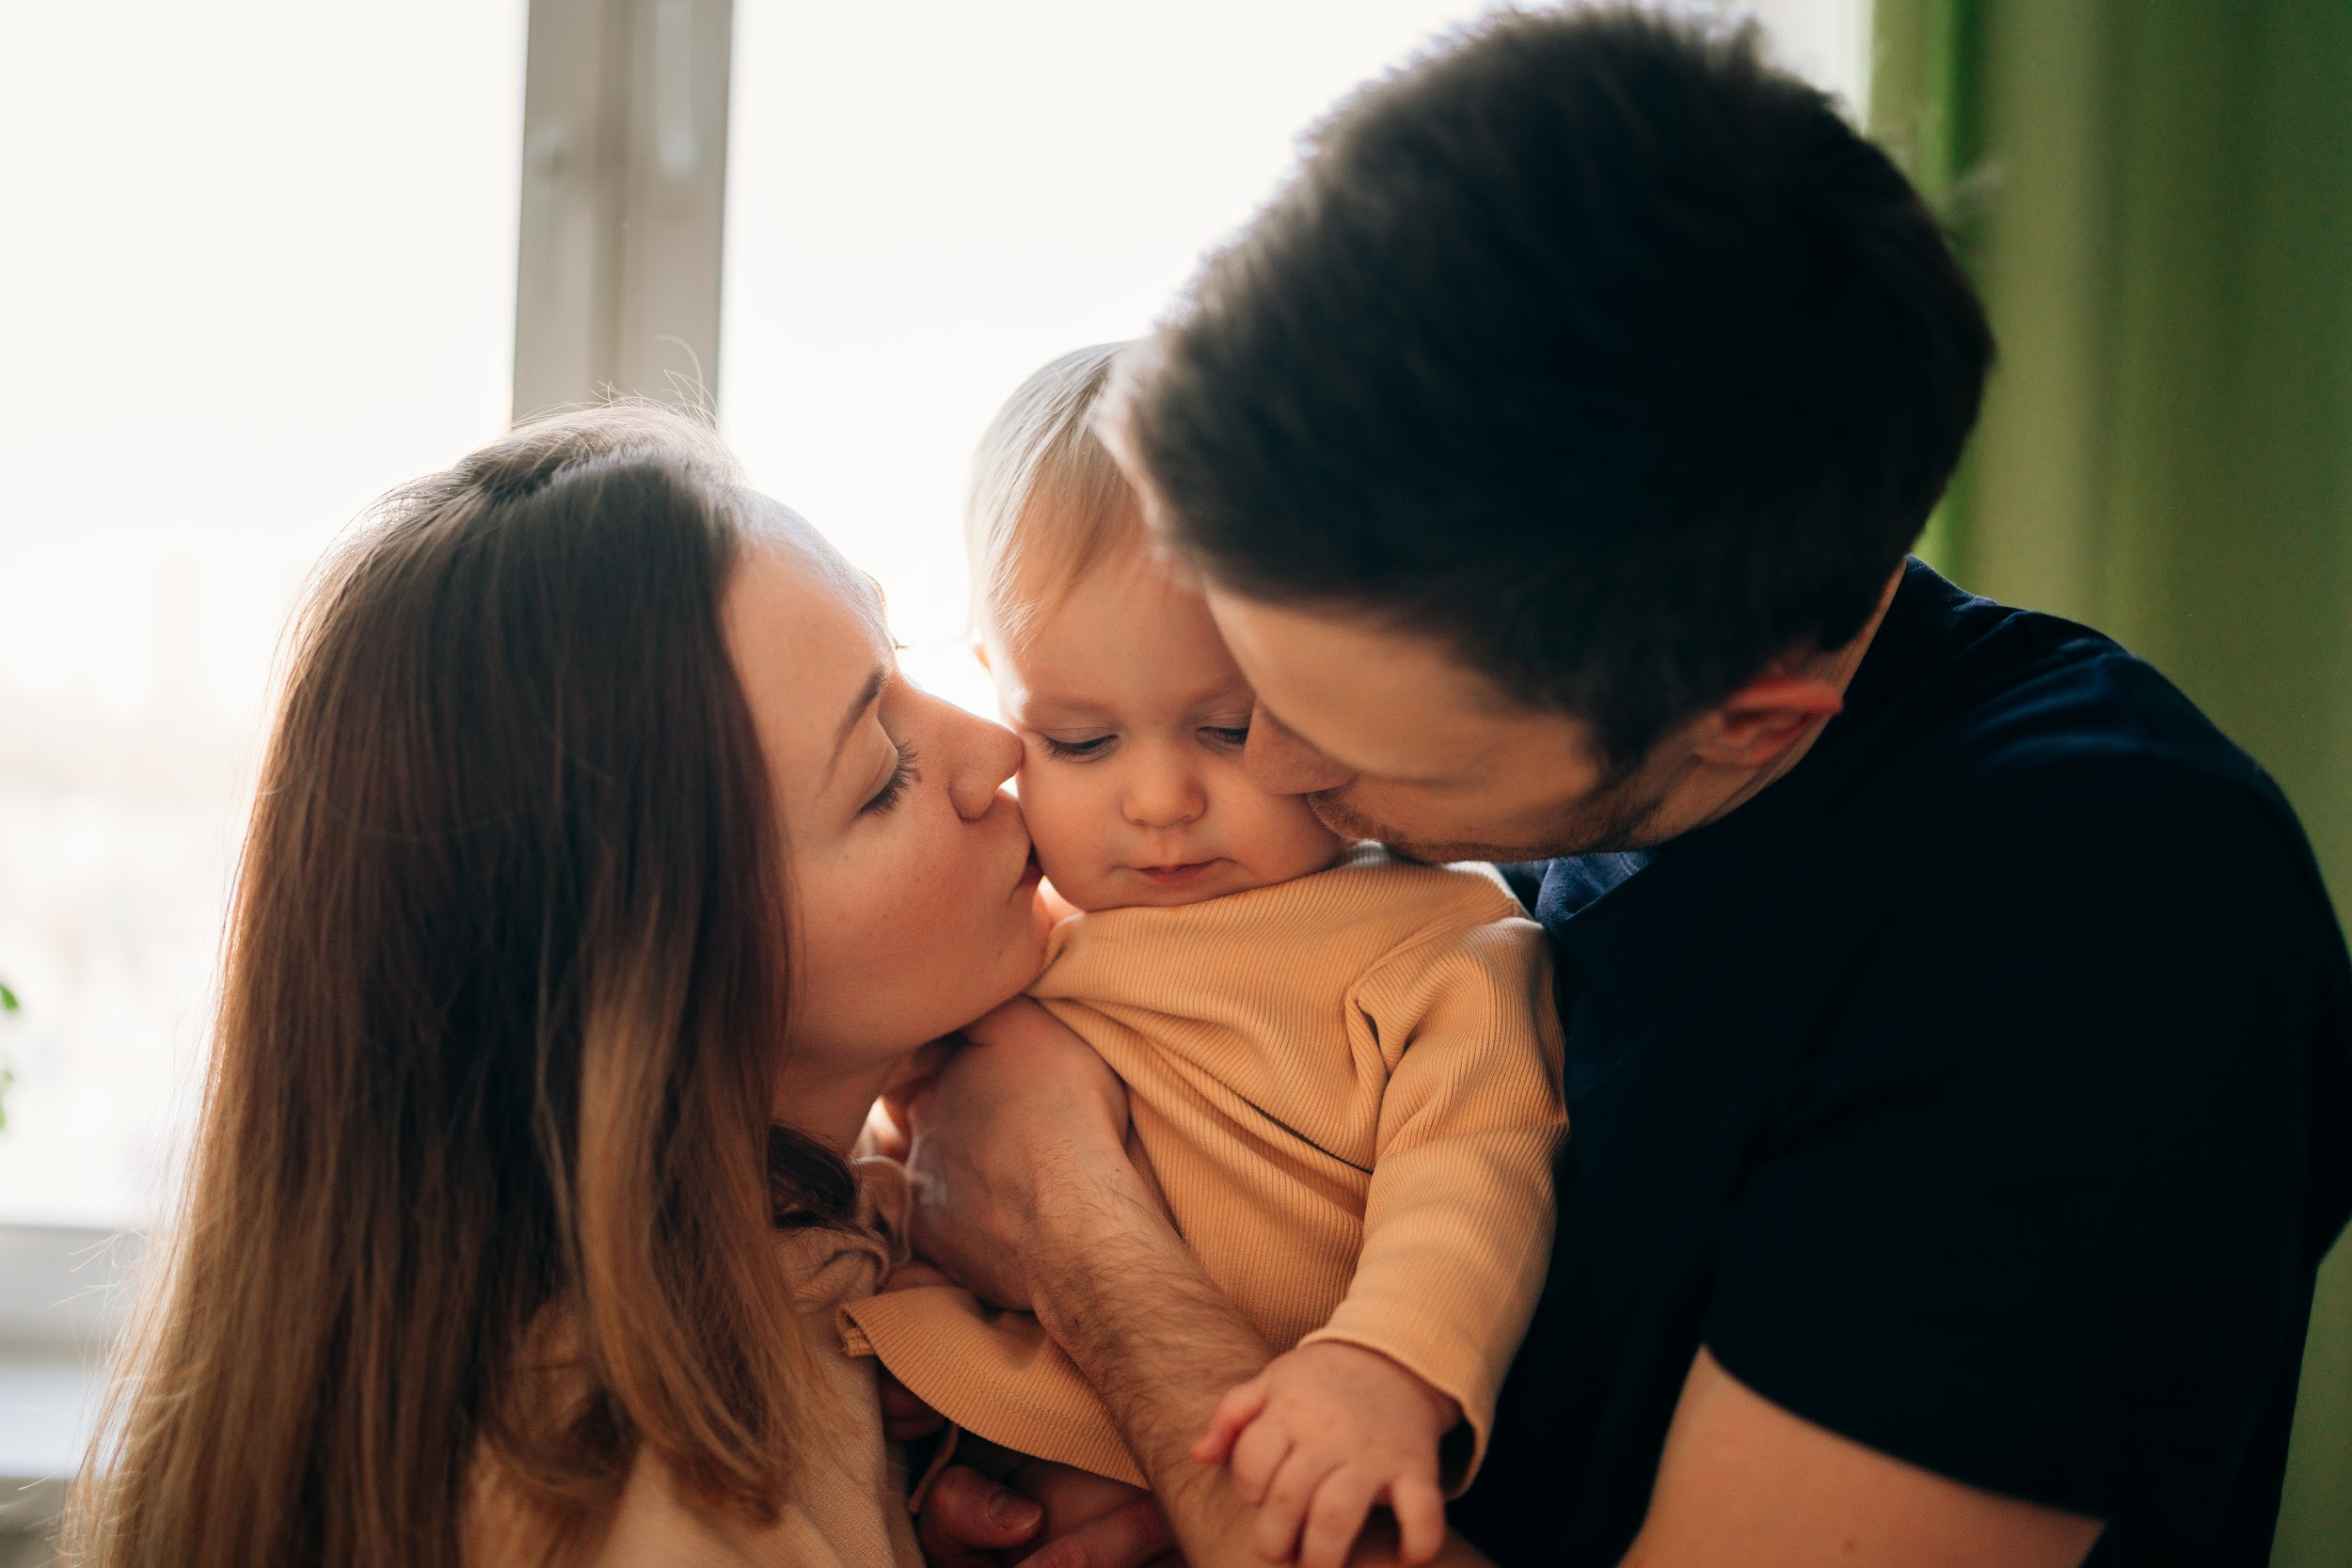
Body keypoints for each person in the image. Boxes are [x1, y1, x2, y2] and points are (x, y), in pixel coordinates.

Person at [903, 9, 2352, 1567]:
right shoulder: (1577, 767)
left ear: (1750, 718)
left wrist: (1089, 1250)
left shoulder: (2098, 930)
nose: (1284, 780)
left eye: (1347, 737)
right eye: (1256, 684)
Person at [63, 406, 1068, 1568]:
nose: (998, 750)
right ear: (659, 982)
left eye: (896, 667)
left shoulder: (824, 1286)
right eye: (882, 773)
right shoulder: (642, 1527)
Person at [841, 343, 1565, 1568]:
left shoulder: (1434, 932)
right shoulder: (1016, 945)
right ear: (1002, 697)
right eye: (1077, 741)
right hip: (1047, 1457)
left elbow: (1481, 1161)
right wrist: (921, 1323)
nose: (1161, 797)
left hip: (1312, 1438)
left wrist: (1389, 1357)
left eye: (1226, 727)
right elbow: (910, 1150)